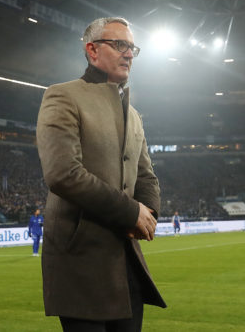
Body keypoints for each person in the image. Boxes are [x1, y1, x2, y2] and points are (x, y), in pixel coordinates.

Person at [36, 17, 166, 331]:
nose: (129, 54)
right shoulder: (63, 96)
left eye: (132, 47)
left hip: (126, 262)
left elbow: (146, 175)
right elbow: (63, 173)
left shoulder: (133, 114)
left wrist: (147, 212)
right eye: (120, 45)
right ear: (92, 50)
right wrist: (130, 211)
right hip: (81, 260)